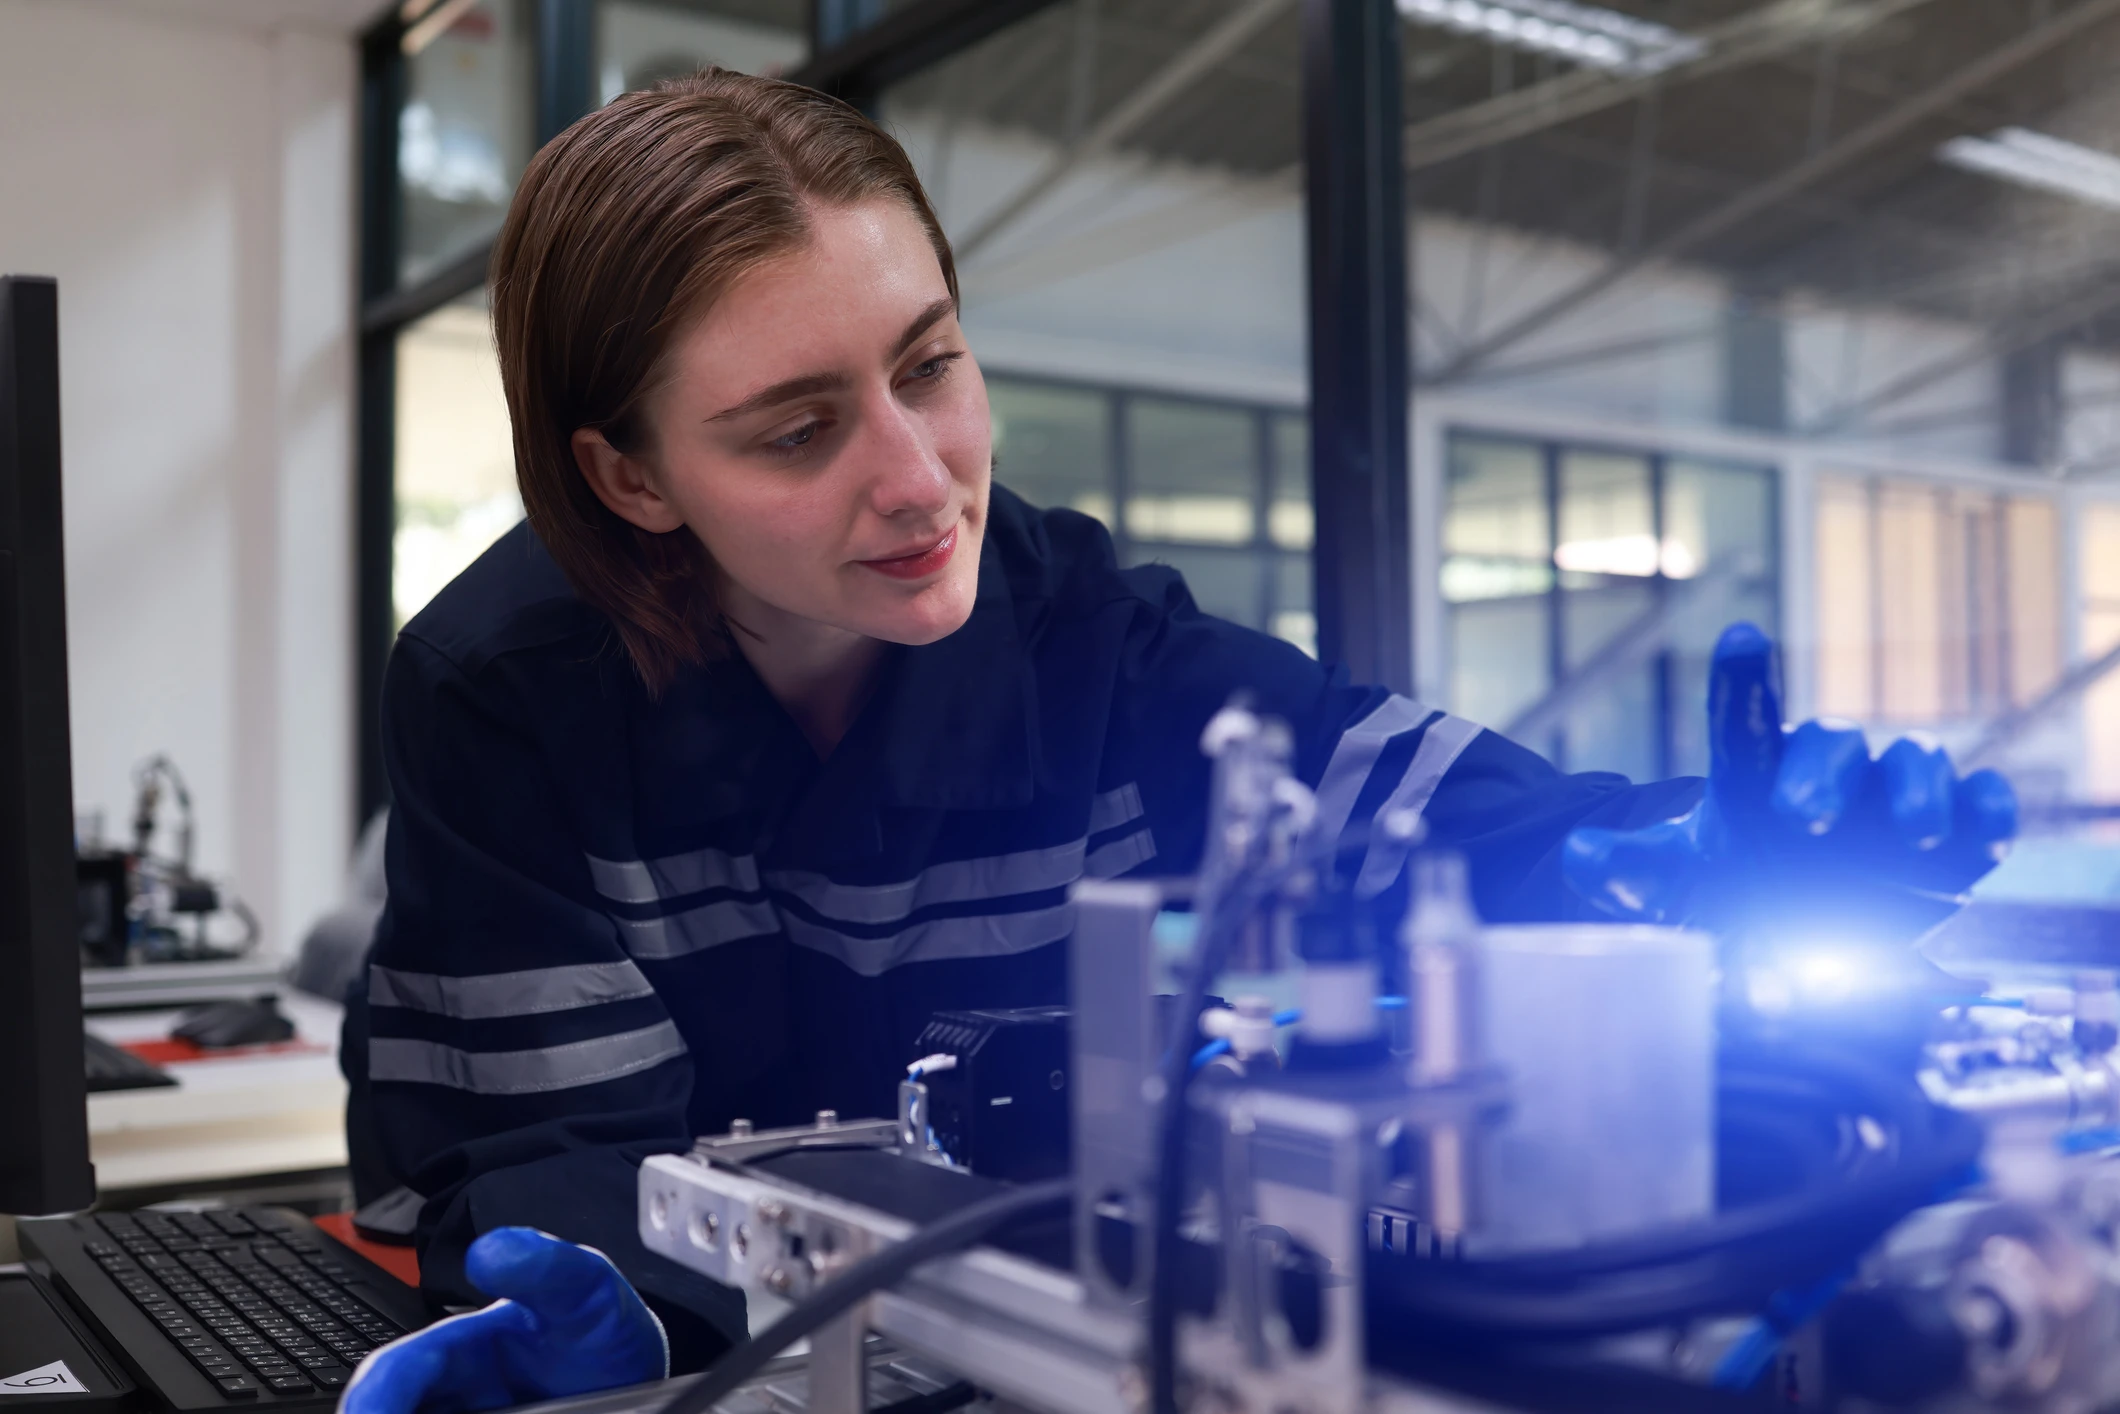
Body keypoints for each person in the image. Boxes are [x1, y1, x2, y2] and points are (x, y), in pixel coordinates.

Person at [341, 68, 2017, 1414]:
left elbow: (1414, 810)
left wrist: (1669, 857)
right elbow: (540, 1162)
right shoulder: (511, 692)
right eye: (797, 428)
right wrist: (617, 1306)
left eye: (932, 364)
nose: (921, 478)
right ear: (633, 479)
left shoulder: (1086, 633)